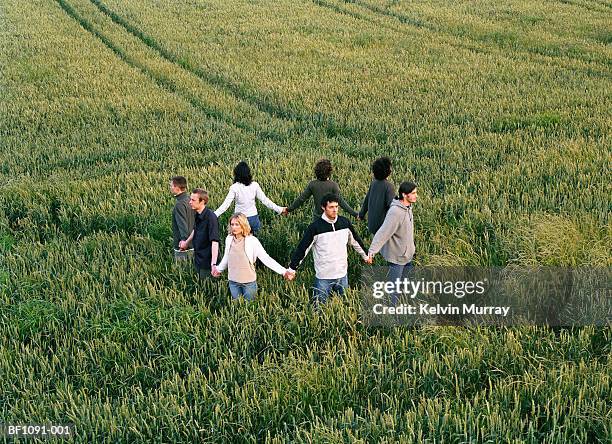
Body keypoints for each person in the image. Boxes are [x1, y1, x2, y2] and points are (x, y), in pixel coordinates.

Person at [288, 193, 372, 304]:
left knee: (345, 306)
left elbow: (356, 241)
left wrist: (366, 256)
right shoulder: (315, 228)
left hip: (342, 275)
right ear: (323, 207)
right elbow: (303, 248)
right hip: (323, 277)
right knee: (319, 308)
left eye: (336, 207)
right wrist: (292, 269)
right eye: (331, 207)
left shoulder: (344, 223)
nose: (335, 210)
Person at [212, 213, 294, 300]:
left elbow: (266, 259)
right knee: (237, 307)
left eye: (237, 224)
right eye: (232, 224)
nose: (234, 227)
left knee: (250, 307)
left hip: (248, 283)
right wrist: (218, 269)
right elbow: (226, 257)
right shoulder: (229, 239)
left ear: (243, 225)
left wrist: (284, 272)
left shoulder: (252, 241)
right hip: (233, 282)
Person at [368, 181, 418, 304]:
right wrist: (372, 252)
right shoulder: (395, 212)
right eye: (413, 193)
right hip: (397, 257)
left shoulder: (408, 208)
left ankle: (405, 303)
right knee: (394, 288)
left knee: (406, 284)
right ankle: (392, 312)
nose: (416, 196)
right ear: (404, 195)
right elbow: (383, 232)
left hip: (407, 255)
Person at [215, 161, 286, 235]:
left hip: (240, 219)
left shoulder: (234, 187)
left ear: (236, 174)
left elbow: (225, 205)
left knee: (240, 243)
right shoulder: (254, 185)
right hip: (253, 219)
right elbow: (265, 200)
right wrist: (280, 209)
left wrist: (214, 215)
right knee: (256, 242)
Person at [285, 158, 358, 222]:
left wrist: (288, 209)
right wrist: (355, 214)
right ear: (329, 172)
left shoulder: (312, 184)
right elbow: (341, 202)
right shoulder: (333, 185)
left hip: (317, 219)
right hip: (330, 218)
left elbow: (301, 199)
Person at [179, 189, 219, 280]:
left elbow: (215, 241)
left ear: (202, 201)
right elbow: (195, 229)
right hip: (198, 257)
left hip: (207, 261)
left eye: (193, 200)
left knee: (206, 286)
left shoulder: (211, 217)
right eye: (190, 199)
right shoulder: (197, 214)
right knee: (199, 282)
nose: (190, 202)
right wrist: (186, 243)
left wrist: (213, 264)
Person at [358, 157, 395, 235]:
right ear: (388, 171)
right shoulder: (389, 186)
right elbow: (392, 208)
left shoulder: (374, 183)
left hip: (372, 225)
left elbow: (366, 200)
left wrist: (361, 215)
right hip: (383, 227)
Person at [169, 176, 195, 261]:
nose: (170, 188)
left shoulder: (179, 204)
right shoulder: (190, 200)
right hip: (194, 241)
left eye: (171, 186)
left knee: (182, 269)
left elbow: (182, 224)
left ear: (177, 187)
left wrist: (184, 241)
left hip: (183, 245)